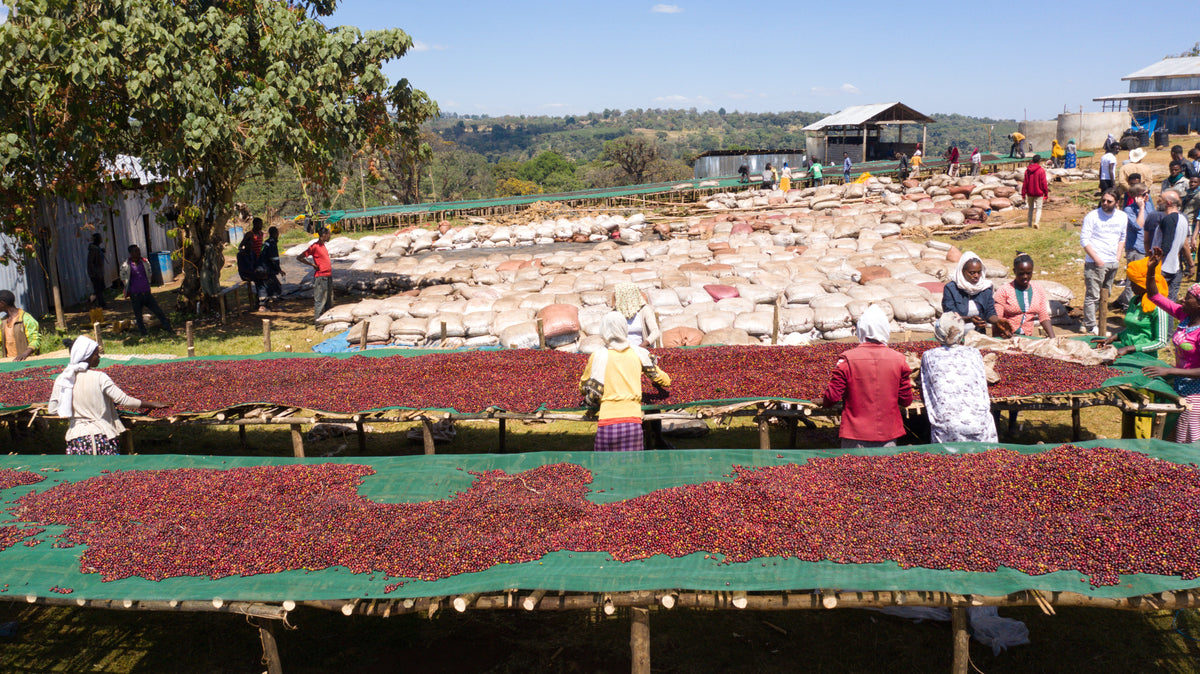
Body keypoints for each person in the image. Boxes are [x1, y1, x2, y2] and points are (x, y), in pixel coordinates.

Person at [47, 336, 167, 455]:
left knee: (82, 473)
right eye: (96, 354)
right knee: (106, 472)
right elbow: (124, 400)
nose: (99, 357)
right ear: (87, 356)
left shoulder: (63, 379)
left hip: (76, 439)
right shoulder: (99, 377)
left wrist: (74, 409)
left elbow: (52, 410)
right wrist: (152, 404)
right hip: (102, 438)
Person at [820, 305, 913, 448]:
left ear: (861, 330)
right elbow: (906, 400)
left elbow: (832, 397)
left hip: (855, 434)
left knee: (856, 470)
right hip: (888, 434)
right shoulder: (899, 360)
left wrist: (823, 402)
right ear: (885, 329)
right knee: (883, 470)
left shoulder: (847, 359)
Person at [579, 312, 670, 452]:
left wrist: (585, 390)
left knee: (605, 469)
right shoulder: (639, 353)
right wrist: (664, 380)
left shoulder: (598, 356)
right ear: (624, 329)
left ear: (603, 330)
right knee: (632, 469)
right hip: (632, 422)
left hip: (607, 422)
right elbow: (662, 379)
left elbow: (584, 385)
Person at [1142, 248, 1200, 443]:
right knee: (1174, 437)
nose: (1183, 299)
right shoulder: (1184, 315)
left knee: (1188, 442)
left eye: (1189, 297)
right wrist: (1152, 270)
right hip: (1179, 387)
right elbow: (1154, 296)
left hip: (1195, 394)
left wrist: (1169, 372)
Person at [920, 313, 998, 443]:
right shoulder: (974, 353)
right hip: (980, 423)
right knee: (983, 461)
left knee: (952, 463)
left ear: (938, 333)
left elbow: (926, 383)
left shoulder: (928, 356)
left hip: (947, 426)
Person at [1096, 258, 1170, 357]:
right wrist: (1115, 337)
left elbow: (1161, 342)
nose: (1131, 286)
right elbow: (1132, 329)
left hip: (1144, 357)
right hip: (1125, 352)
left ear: (1144, 284)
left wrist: (1130, 349)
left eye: (1134, 283)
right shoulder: (1134, 300)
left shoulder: (1158, 307)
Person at [1080, 190, 1128, 334]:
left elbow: (1122, 237)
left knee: (1105, 295)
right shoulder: (1093, 216)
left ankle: (1091, 321)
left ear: (1117, 203)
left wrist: (1118, 257)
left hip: (1112, 262)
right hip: (1095, 263)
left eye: (1109, 201)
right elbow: (1084, 240)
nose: (1105, 204)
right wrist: (1097, 260)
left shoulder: (1122, 216)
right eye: (1103, 201)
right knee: (1093, 295)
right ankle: (1090, 326)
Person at [1141, 189, 1191, 300]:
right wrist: (1190, 264)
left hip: (1163, 267)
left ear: (1168, 203)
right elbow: (1184, 245)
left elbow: (1166, 245)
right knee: (1170, 303)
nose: (1158, 201)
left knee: (1156, 301)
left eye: (1160, 199)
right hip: (1175, 267)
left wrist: (1154, 261)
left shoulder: (1168, 220)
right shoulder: (1183, 218)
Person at [942, 252, 1009, 336]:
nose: (976, 276)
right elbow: (950, 316)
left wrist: (997, 321)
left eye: (979, 272)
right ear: (962, 271)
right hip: (955, 336)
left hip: (978, 336)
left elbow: (989, 312)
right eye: (972, 272)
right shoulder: (951, 288)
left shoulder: (985, 288)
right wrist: (969, 319)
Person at [994, 254, 1056, 338]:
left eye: (1028, 273)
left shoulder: (1038, 289)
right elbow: (997, 319)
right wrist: (1001, 335)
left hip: (1027, 338)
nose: (1025, 277)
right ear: (1014, 271)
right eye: (1021, 273)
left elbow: (1044, 316)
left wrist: (1052, 338)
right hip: (1006, 337)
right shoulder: (1004, 290)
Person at [119, 244, 174, 337]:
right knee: (138, 316)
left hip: (146, 293)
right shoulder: (126, 265)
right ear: (131, 253)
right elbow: (123, 277)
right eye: (136, 251)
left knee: (158, 311)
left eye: (139, 250)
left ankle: (169, 329)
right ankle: (144, 334)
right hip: (135, 295)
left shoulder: (145, 262)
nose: (138, 253)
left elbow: (149, 273)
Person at [1117, 184, 1155, 310]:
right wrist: (1141, 208)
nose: (1147, 196)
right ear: (1136, 196)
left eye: (1147, 193)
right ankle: (1127, 304)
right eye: (1144, 194)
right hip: (1135, 247)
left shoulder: (1149, 205)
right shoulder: (1129, 210)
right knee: (1133, 277)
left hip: (1147, 245)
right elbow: (1139, 225)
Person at [298, 227, 333, 321]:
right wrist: (312, 264)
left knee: (328, 300)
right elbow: (300, 257)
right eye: (328, 234)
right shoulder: (315, 246)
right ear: (324, 235)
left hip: (328, 276)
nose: (329, 236)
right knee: (320, 301)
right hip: (321, 277)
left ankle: (327, 320)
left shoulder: (323, 246)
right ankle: (318, 323)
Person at [613, 282, 661, 348]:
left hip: (641, 349)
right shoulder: (616, 312)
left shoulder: (644, 310)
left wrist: (642, 345)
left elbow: (655, 332)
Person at [0, 290, 40, 361]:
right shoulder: (2, 322)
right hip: (10, 361)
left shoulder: (26, 319)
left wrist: (25, 354)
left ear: (2, 303)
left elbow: (35, 340)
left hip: (26, 361)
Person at [1021, 155, 1049, 229]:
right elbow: (1044, 183)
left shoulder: (1027, 171)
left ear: (1032, 161)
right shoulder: (1041, 171)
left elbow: (1025, 183)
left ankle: (1029, 223)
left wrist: (1023, 194)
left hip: (1030, 193)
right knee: (1039, 208)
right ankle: (1036, 223)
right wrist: (1046, 194)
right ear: (1039, 161)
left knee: (1030, 208)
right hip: (1039, 193)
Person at [260, 226, 286, 302]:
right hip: (267, 269)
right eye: (277, 233)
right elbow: (273, 259)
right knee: (275, 286)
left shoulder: (267, 242)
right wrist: (279, 270)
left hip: (264, 267)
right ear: (275, 234)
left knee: (274, 285)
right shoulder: (272, 244)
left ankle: (274, 297)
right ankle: (267, 301)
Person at [87, 233, 107, 309]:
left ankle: (93, 301)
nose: (101, 239)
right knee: (98, 289)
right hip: (96, 273)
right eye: (100, 238)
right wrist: (94, 273)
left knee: (100, 288)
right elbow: (91, 263)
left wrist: (101, 250)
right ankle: (100, 304)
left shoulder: (97, 249)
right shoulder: (93, 250)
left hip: (99, 272)